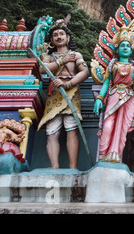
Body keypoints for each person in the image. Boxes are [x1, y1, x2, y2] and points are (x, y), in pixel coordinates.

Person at [38, 19, 89, 169]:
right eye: (55, 35)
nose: (59, 37)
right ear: (52, 41)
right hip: (54, 94)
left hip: (71, 92)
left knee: (71, 129)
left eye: (62, 34)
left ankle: (73, 167)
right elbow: (42, 69)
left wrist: (68, 84)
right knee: (52, 132)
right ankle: (54, 167)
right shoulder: (48, 57)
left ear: (68, 38)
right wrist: (62, 61)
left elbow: (85, 72)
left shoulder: (75, 55)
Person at [93, 26, 134, 163]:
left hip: (129, 98)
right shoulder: (112, 65)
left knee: (122, 129)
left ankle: (115, 155)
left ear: (131, 49)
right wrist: (99, 98)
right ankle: (103, 156)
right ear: (117, 49)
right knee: (108, 125)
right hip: (114, 95)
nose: (125, 48)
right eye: (122, 45)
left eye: (128, 45)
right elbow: (106, 82)